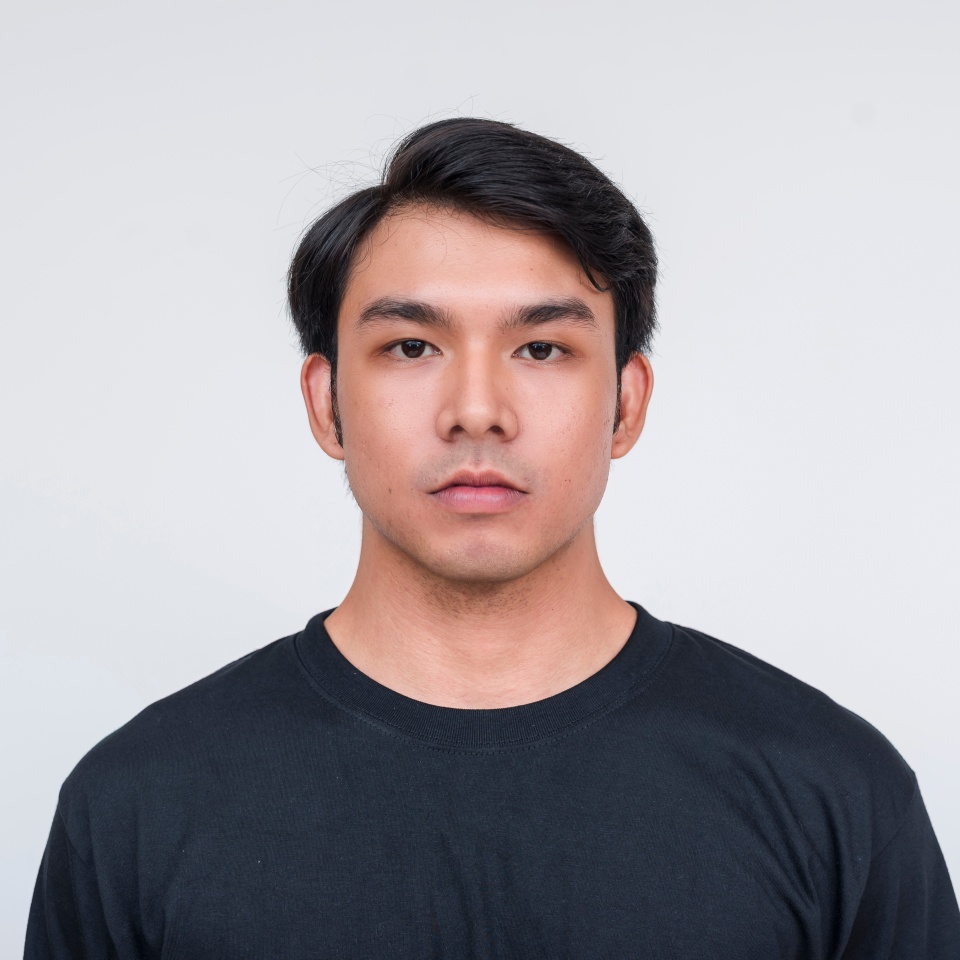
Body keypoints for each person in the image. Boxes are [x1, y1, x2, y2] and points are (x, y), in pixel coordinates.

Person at [26, 118, 959, 958]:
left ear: (627, 402)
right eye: (412, 348)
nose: (477, 411)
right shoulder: (137, 806)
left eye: (543, 349)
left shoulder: (833, 792)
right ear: (326, 401)